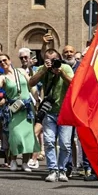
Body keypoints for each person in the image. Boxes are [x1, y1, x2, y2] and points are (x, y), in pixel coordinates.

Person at [29, 48, 74, 181]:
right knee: (49, 142)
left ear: (59, 58)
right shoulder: (43, 69)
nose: (52, 63)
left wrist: (61, 73)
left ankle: (62, 170)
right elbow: (31, 83)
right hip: (49, 112)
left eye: (54, 60)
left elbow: (74, 84)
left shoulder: (65, 67)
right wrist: (43, 69)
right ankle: (52, 169)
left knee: (65, 144)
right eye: (49, 60)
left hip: (65, 112)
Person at [0, 53, 36, 171]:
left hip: (26, 108)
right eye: (0, 62)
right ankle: (12, 160)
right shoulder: (3, 76)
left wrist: (36, 98)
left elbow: (31, 84)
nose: (3, 63)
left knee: (28, 136)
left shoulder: (21, 71)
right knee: (15, 136)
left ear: (9, 60)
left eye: (4, 60)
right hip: (13, 109)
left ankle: (25, 162)